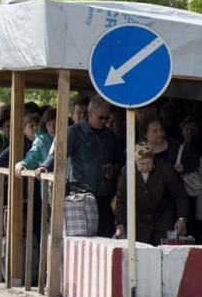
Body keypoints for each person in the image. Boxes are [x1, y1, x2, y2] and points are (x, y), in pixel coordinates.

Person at [36, 95, 123, 237]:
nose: (104, 122)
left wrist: (114, 167)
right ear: (90, 113)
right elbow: (58, 156)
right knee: (80, 239)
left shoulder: (111, 136)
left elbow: (121, 161)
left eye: (107, 118)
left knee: (105, 238)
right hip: (81, 197)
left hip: (105, 197)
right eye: (101, 118)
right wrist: (45, 166)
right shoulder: (73, 132)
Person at [114, 142, 189, 245]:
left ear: (153, 159)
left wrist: (182, 218)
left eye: (148, 163)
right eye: (141, 164)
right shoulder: (127, 172)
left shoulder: (165, 169)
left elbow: (180, 195)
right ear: (135, 161)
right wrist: (120, 224)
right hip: (139, 223)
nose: (145, 167)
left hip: (163, 220)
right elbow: (122, 199)